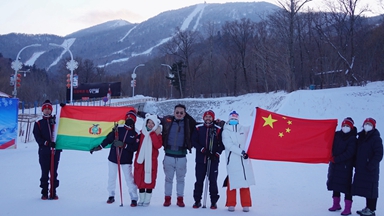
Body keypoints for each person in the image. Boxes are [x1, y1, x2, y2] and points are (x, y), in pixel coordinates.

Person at [137, 104, 196, 207]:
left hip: (182, 155)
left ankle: (180, 198)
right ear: (173, 112)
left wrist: (219, 122)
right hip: (169, 155)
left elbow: (202, 124)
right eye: (177, 112)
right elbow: (152, 117)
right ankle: (167, 198)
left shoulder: (188, 123)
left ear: (185, 114)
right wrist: (138, 112)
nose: (179, 114)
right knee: (168, 179)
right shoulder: (167, 120)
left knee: (180, 179)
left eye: (181, 113)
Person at [90, 110, 139, 207]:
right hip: (113, 157)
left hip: (126, 159)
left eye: (132, 118)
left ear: (134, 120)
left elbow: (135, 148)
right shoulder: (118, 128)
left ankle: (133, 198)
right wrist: (100, 146)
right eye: (128, 118)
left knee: (129, 179)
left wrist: (124, 145)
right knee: (112, 177)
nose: (129, 120)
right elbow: (109, 139)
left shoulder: (136, 133)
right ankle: (111, 195)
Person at [222, 110, 255, 212]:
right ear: (229, 119)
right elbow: (229, 145)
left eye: (235, 119)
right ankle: (231, 204)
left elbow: (253, 129)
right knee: (232, 182)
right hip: (232, 160)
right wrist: (242, 152)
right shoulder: (225, 131)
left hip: (244, 160)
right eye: (232, 119)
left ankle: (246, 204)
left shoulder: (243, 129)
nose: (233, 120)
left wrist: (257, 117)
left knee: (244, 182)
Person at [192, 110, 225, 209]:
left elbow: (222, 143)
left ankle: (213, 201)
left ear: (213, 118)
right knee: (199, 180)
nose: (208, 118)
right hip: (201, 160)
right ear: (203, 118)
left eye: (210, 117)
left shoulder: (218, 129)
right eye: (206, 117)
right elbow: (194, 141)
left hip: (213, 159)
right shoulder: (198, 128)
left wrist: (217, 153)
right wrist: (202, 150)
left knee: (213, 181)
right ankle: (197, 200)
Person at [352, 118, 383, 216]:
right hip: (362, 167)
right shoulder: (361, 137)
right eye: (366, 123)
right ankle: (367, 207)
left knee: (372, 189)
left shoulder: (376, 138)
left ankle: (371, 210)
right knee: (366, 189)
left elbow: (379, 154)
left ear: (373, 126)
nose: (367, 126)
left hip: (371, 169)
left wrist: (371, 165)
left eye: (369, 124)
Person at [326, 117, 357, 215]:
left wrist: (337, 159)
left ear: (351, 127)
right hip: (335, 165)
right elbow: (328, 141)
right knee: (335, 184)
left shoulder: (352, 139)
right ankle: (336, 204)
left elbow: (350, 152)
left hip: (345, 166)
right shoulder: (337, 135)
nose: (345, 127)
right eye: (343, 125)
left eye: (347, 126)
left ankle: (347, 208)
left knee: (347, 187)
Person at [33, 100, 62, 200]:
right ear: (42, 110)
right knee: (44, 172)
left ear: (51, 110)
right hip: (44, 152)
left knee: (54, 172)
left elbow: (63, 119)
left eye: (48, 109)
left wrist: (64, 108)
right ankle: (44, 192)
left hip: (55, 151)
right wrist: (47, 143)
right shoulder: (39, 123)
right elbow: (38, 137)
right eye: (45, 109)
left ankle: (53, 192)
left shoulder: (56, 121)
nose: (47, 111)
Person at [134, 113, 163, 207]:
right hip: (141, 160)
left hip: (151, 161)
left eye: (152, 123)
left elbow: (158, 145)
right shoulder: (141, 133)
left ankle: (147, 199)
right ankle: (141, 199)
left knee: (150, 179)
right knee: (140, 179)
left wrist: (153, 135)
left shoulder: (157, 135)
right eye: (148, 123)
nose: (150, 125)